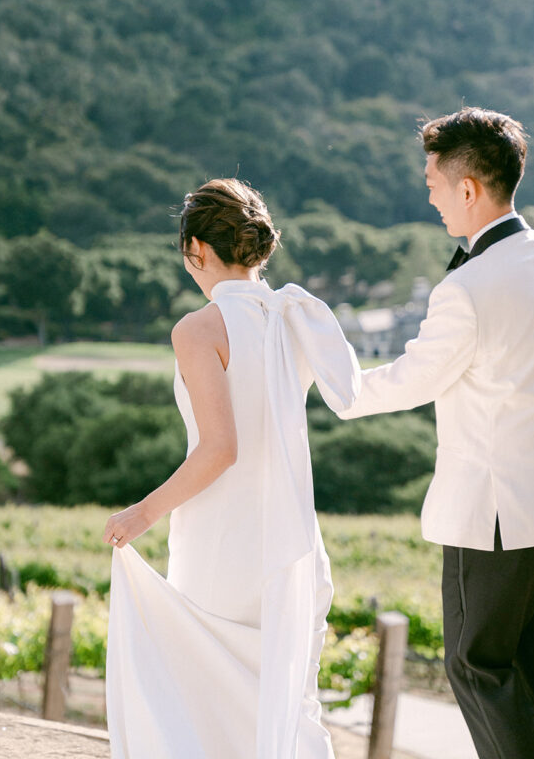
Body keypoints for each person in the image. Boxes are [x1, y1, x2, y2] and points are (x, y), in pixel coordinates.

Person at [103, 177, 360, 759]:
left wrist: (142, 513)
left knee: (208, 702)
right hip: (292, 541)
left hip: (223, 544)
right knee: (289, 704)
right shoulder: (291, 318)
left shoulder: (199, 329)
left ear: (196, 248)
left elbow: (220, 448)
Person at [337, 107, 534, 759]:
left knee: (474, 663)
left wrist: (334, 385)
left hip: (492, 514)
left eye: (433, 184)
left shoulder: (468, 287)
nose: (429, 198)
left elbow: (413, 379)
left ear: (468, 188)